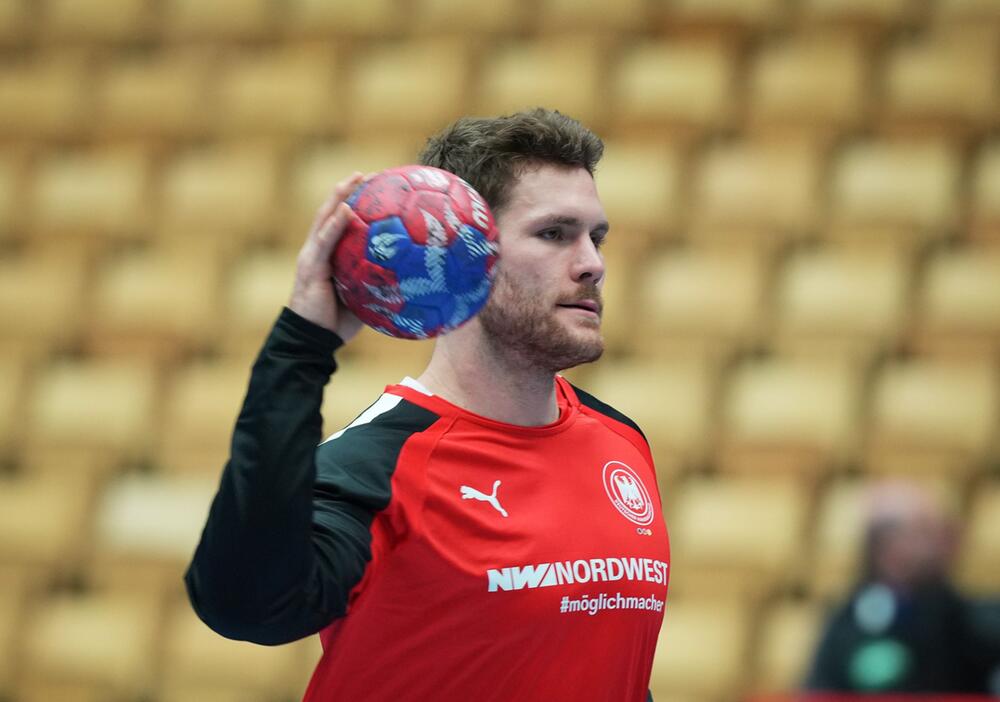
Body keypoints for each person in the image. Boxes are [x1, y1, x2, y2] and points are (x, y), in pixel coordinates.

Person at [185, 108, 670, 702]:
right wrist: (299, 349)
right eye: (554, 233)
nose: (593, 263)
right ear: (466, 255)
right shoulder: (376, 467)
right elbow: (247, 608)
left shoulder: (619, 440)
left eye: (595, 237)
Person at [805, 480, 1000, 694]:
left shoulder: (976, 621)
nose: (945, 542)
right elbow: (819, 691)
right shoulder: (847, 621)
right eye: (925, 530)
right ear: (886, 545)